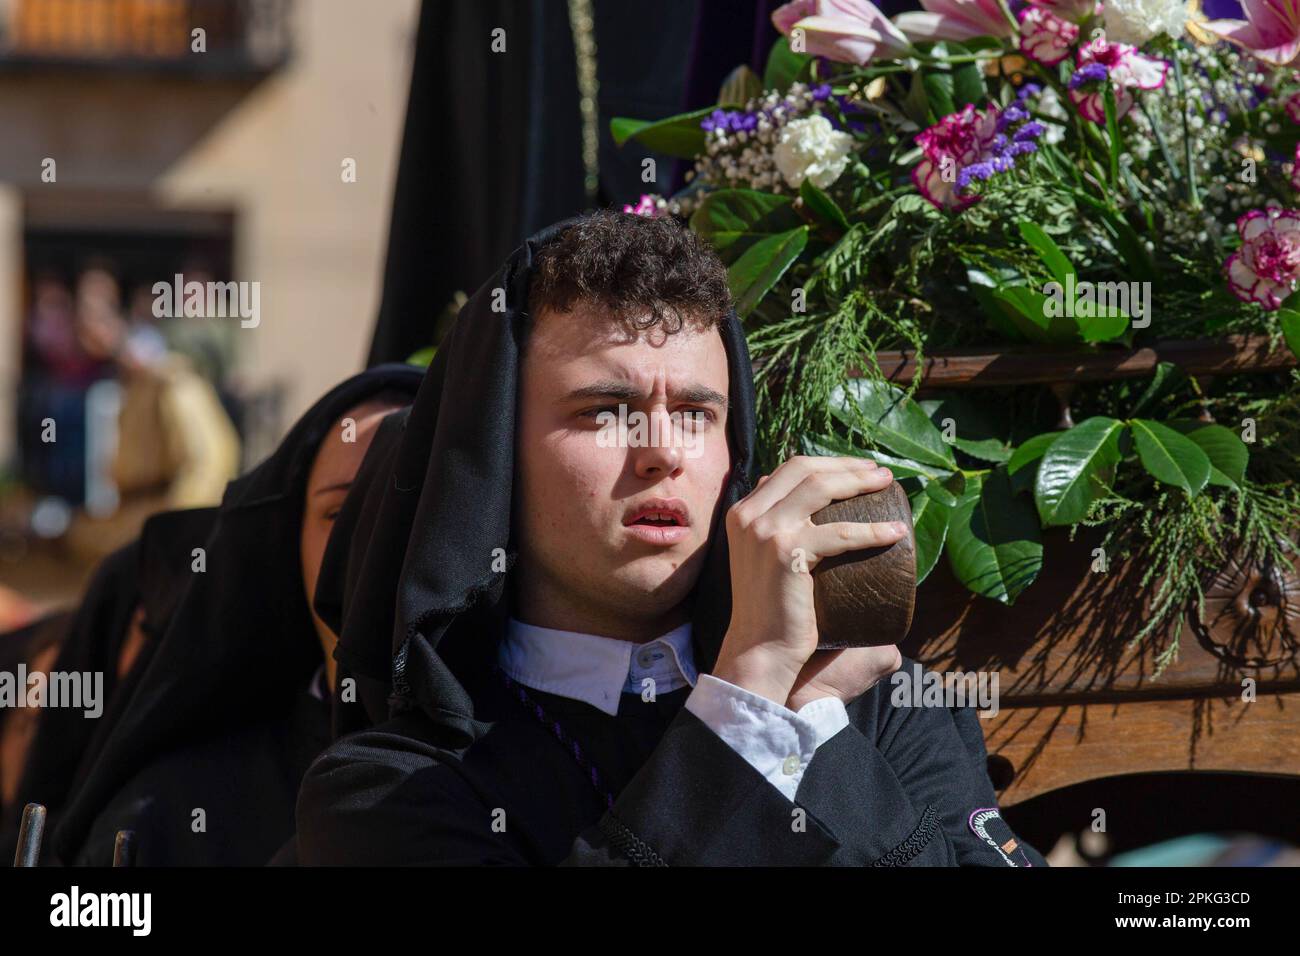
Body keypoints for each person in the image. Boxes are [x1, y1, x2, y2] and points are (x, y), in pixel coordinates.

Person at [296, 211, 1046, 866]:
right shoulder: (392, 787)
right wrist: (748, 703)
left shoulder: (872, 702)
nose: (664, 451)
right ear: (497, 458)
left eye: (696, 412)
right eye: (605, 410)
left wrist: (807, 732)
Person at [51, 364, 424, 866]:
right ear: (288, 547)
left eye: (406, 502)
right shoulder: (166, 811)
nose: (368, 539)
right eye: (337, 513)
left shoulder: (529, 781)